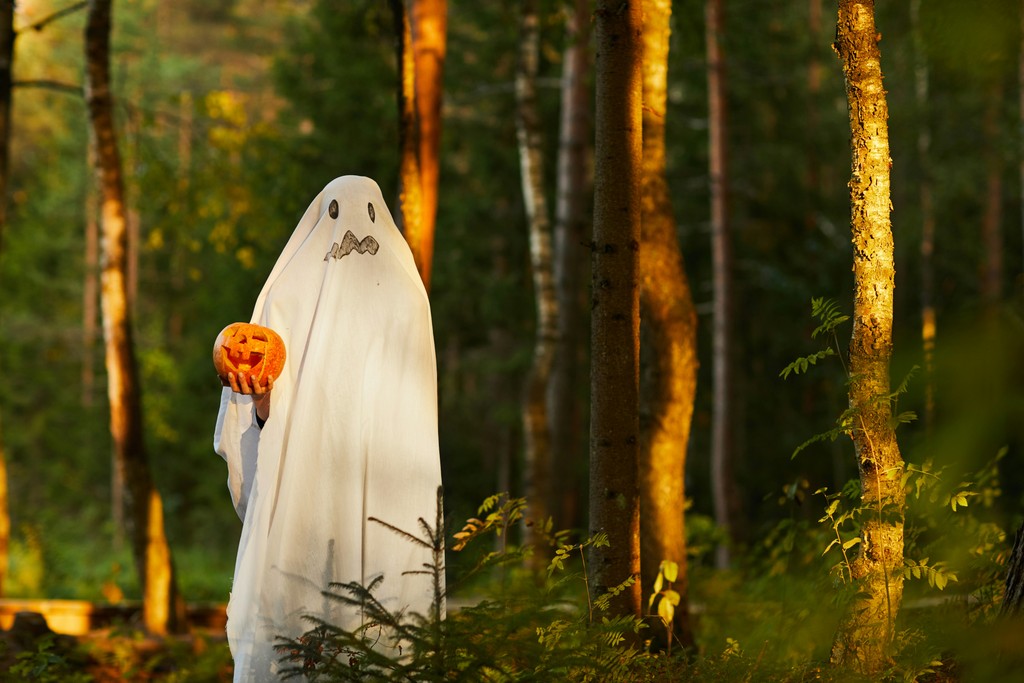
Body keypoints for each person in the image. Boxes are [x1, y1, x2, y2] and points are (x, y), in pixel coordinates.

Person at [214, 176, 443, 681]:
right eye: (339, 214)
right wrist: (261, 397)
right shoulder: (297, 300)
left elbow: (412, 411)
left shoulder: (398, 298)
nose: (348, 234)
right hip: (316, 494)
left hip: (367, 493)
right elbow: (264, 406)